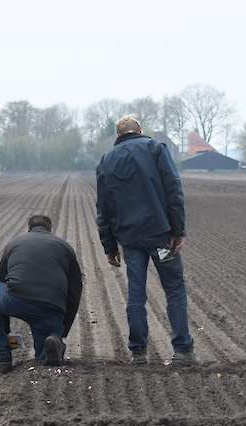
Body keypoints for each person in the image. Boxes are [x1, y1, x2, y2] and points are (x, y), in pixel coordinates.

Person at [95, 115, 194, 366]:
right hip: (161, 236)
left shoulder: (107, 161)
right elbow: (173, 189)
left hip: (130, 240)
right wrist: (178, 230)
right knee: (174, 289)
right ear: (139, 130)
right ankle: (182, 350)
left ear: (118, 135)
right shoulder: (155, 149)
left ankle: (138, 352)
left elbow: (103, 206)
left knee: (136, 293)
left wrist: (109, 246)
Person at [0, 215, 82, 372]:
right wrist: (62, 330)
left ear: (29, 228)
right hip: (51, 306)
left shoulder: (15, 243)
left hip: (17, 298)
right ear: (50, 229)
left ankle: (2, 357)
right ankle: (54, 342)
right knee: (43, 357)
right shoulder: (65, 247)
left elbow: (0, 282)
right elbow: (75, 290)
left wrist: (6, 333)